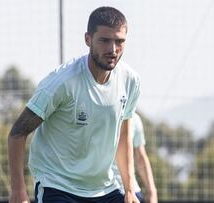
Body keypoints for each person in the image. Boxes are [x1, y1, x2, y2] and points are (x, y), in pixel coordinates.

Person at [8, 6, 141, 203]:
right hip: (58, 186)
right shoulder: (62, 82)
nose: (113, 49)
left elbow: (123, 136)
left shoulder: (130, 80)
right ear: (88, 39)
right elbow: (17, 134)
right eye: (104, 40)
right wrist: (18, 191)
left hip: (105, 188)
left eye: (119, 41)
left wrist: (129, 189)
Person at [113, 113, 158, 203]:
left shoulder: (135, 118)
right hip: (102, 191)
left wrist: (152, 191)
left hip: (131, 192)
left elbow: (141, 158)